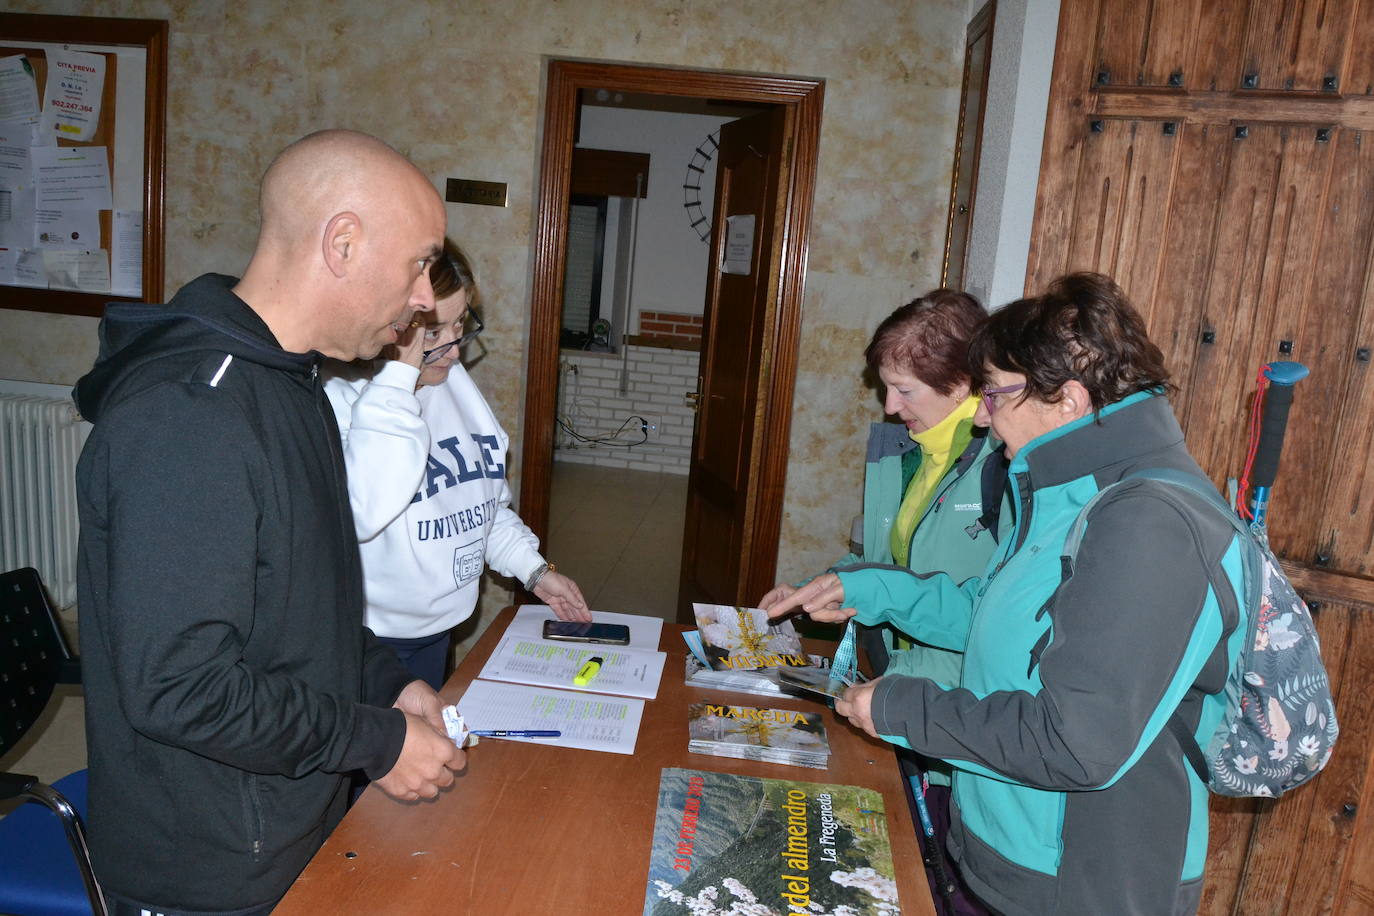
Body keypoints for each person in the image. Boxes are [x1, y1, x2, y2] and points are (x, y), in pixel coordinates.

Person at [73, 129, 466, 916]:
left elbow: (299, 605)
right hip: (207, 872)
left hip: (289, 818)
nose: (426, 296)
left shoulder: (295, 388)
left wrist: (386, 686)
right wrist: (374, 744)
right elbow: (183, 687)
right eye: (418, 261)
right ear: (343, 244)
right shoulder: (191, 418)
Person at [769, 273, 1244, 915]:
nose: (982, 413)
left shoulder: (1149, 523)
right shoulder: (1062, 491)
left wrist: (905, 709)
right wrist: (866, 587)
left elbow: (1076, 743)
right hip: (1010, 849)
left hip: (1080, 881)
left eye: (993, 392)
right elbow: (985, 618)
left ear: (1068, 399)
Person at [757, 289, 1004, 914]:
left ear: (965, 385)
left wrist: (870, 590)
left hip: (960, 715)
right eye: (885, 387)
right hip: (898, 692)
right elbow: (887, 565)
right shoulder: (905, 453)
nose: (890, 407)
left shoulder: (1006, 469)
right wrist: (824, 584)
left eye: (906, 390)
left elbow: (985, 617)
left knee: (948, 886)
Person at [324, 239, 589, 691]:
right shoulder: (340, 395)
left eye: (461, 323)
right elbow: (360, 510)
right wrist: (397, 384)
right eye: (432, 333)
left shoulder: (453, 381)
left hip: (437, 632)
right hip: (368, 644)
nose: (453, 349)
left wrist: (535, 570)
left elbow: (482, 504)